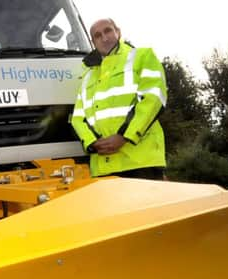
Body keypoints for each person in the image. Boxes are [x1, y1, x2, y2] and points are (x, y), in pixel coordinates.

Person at [70, 18, 167, 179]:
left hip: (141, 162)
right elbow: (78, 118)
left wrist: (124, 136)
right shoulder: (87, 75)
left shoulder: (142, 56)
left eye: (108, 31)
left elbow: (153, 98)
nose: (104, 38)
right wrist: (92, 144)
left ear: (118, 32)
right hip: (103, 167)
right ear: (93, 42)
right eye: (97, 35)